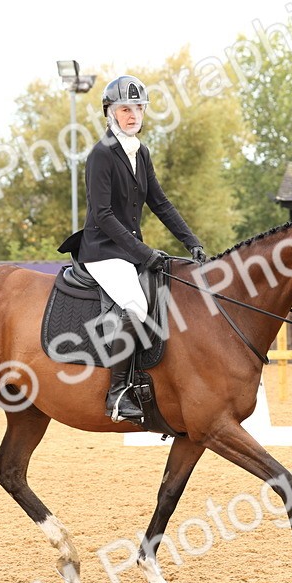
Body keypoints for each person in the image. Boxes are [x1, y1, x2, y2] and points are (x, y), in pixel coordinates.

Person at [79, 75, 209, 423]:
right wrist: (143, 253)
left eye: (138, 107)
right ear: (110, 113)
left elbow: (160, 203)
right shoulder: (101, 156)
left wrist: (191, 240)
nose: (132, 114)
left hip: (127, 250)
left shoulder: (141, 152)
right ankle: (117, 394)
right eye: (125, 109)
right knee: (135, 305)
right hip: (102, 250)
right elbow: (103, 216)